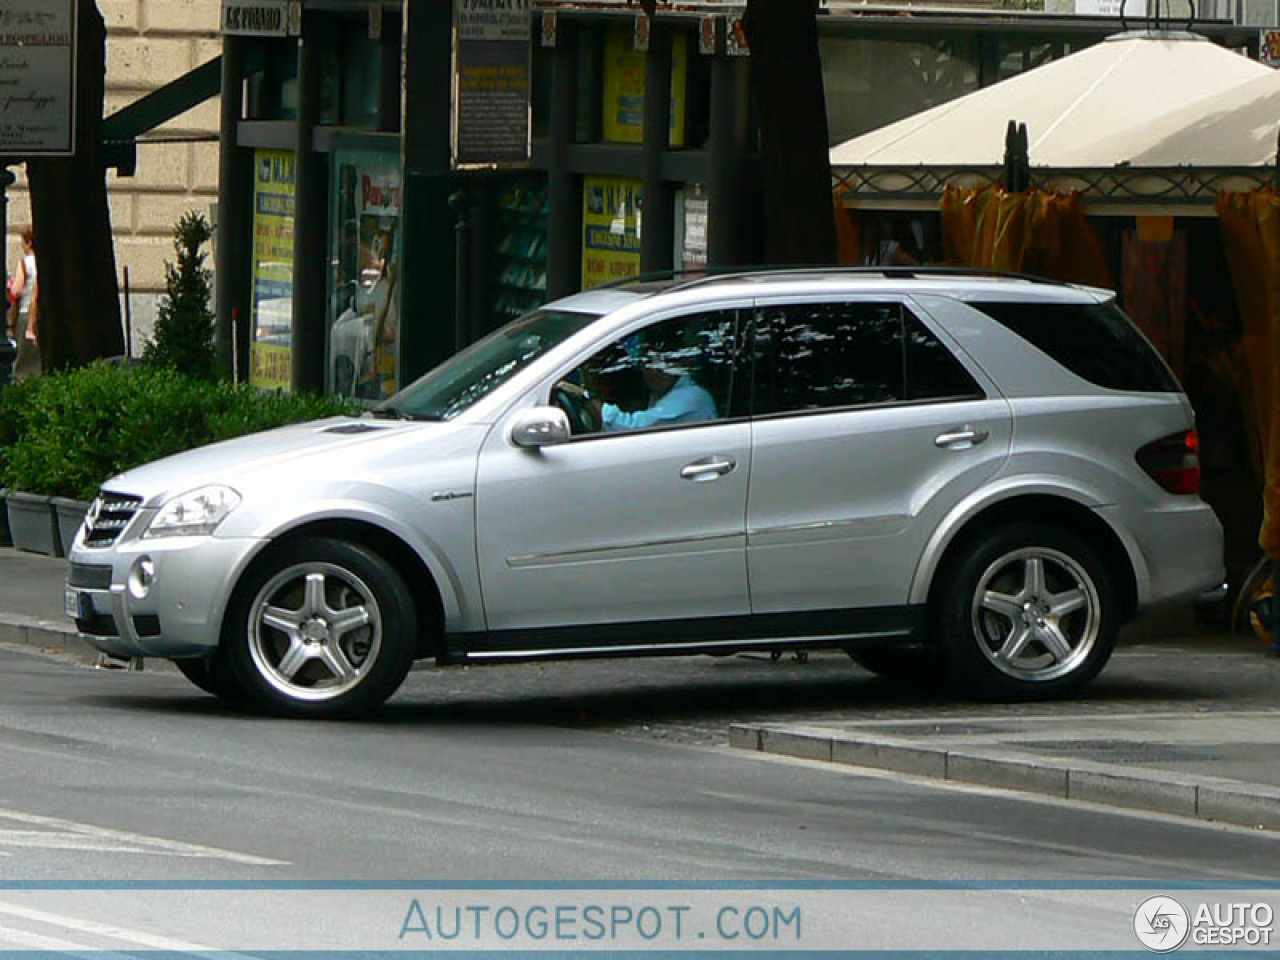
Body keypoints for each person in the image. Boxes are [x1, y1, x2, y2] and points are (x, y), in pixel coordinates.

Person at [561, 332, 718, 433]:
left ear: (681, 364)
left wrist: (584, 397)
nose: (654, 371)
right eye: (648, 364)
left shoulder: (690, 397)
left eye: (662, 365)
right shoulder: (661, 393)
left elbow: (632, 428)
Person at [6, 225, 41, 382]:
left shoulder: (25, 263)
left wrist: (9, 286)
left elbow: (17, 290)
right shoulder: (46, 263)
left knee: (23, 362)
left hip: (26, 314)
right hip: (42, 316)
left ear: (28, 242)